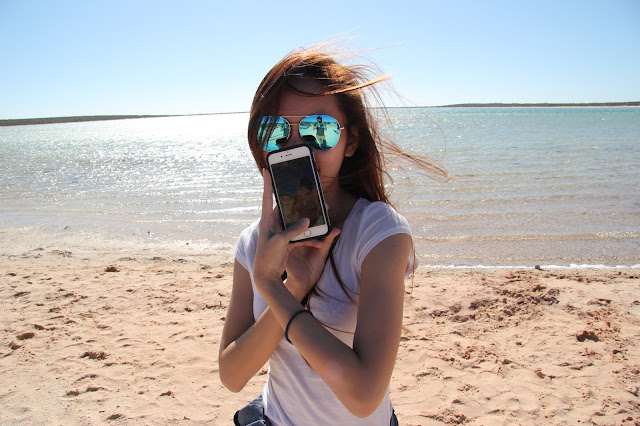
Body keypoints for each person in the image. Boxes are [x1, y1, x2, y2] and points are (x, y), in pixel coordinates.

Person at [218, 45, 447, 425]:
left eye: (318, 130)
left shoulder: (378, 233)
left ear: (350, 141)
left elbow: (364, 396)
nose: (296, 147)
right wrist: (292, 288)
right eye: (275, 131)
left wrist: (272, 287)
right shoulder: (254, 243)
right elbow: (232, 375)